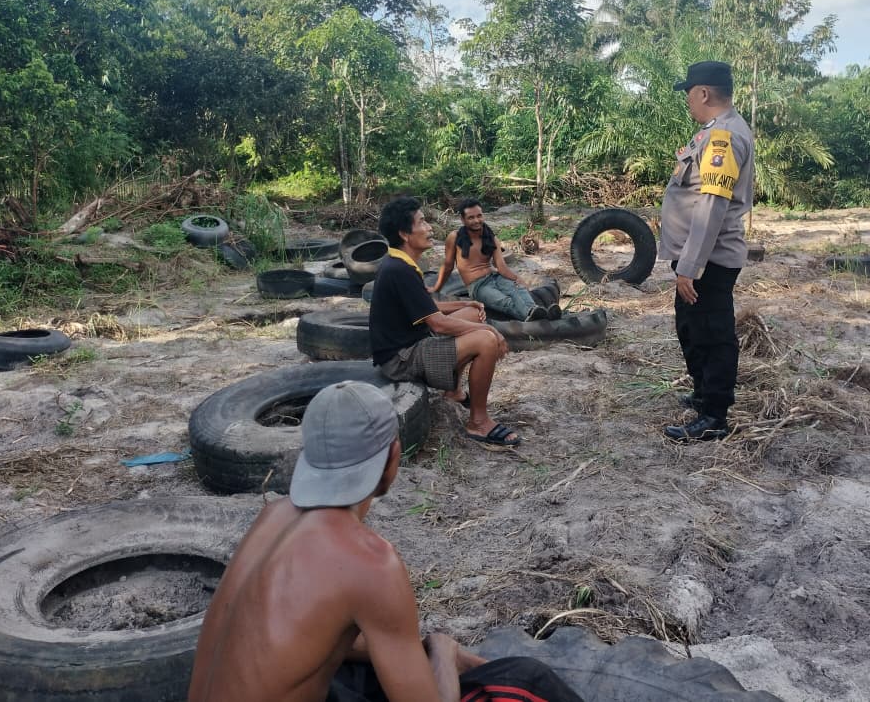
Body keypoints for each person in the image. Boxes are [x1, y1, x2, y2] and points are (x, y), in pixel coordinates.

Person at [188, 381, 584, 702]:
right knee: (524, 679)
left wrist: (415, 647)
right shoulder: (370, 562)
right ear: (394, 455)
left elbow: (301, 637)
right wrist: (443, 651)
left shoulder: (272, 516)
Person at [369, 195, 520, 449]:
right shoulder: (399, 270)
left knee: (472, 314)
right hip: (401, 359)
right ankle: (479, 422)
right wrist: (490, 329)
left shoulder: (400, 262)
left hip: (412, 342)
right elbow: (438, 324)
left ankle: (454, 392)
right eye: (422, 222)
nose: (429, 228)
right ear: (405, 234)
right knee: (486, 340)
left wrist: (465, 304)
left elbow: (427, 307)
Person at [659, 61, 755, 442]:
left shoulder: (724, 137)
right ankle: (702, 394)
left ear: (703, 93)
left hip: (707, 260)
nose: (688, 101)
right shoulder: (715, 131)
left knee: (713, 333)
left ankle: (715, 415)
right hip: (697, 257)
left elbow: (712, 205)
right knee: (692, 327)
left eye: (689, 94)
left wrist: (690, 266)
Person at [430, 198, 559, 322]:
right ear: (463, 220)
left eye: (479, 216)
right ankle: (541, 316)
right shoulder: (455, 237)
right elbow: (448, 266)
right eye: (471, 217)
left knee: (518, 290)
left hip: (496, 277)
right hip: (478, 286)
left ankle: (534, 312)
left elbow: (501, 267)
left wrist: (517, 279)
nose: (476, 220)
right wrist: (436, 288)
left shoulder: (491, 238)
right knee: (503, 301)